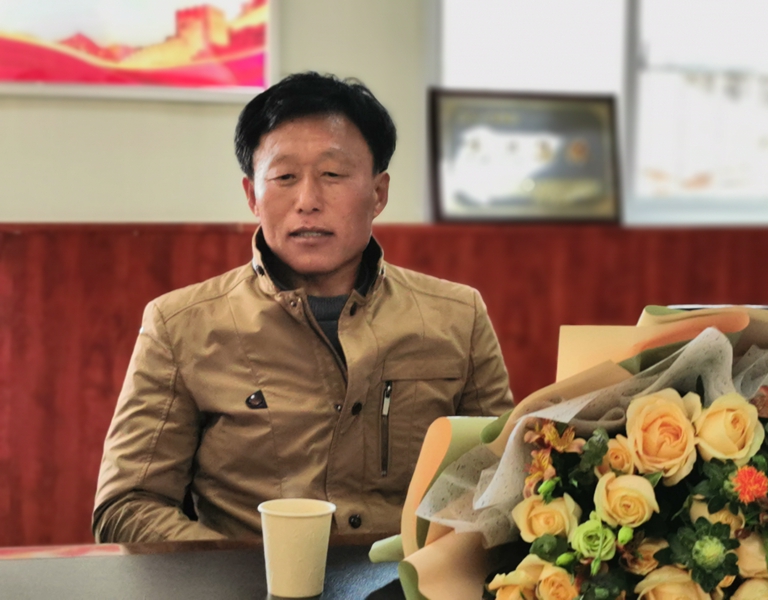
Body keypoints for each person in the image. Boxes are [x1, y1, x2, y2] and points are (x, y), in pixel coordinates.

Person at [92, 72, 514, 543]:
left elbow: (505, 481)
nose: (308, 201)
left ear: (378, 193)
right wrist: (245, 568)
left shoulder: (457, 317)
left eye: (333, 175)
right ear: (252, 195)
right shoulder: (180, 326)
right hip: (245, 581)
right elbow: (126, 504)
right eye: (284, 177)